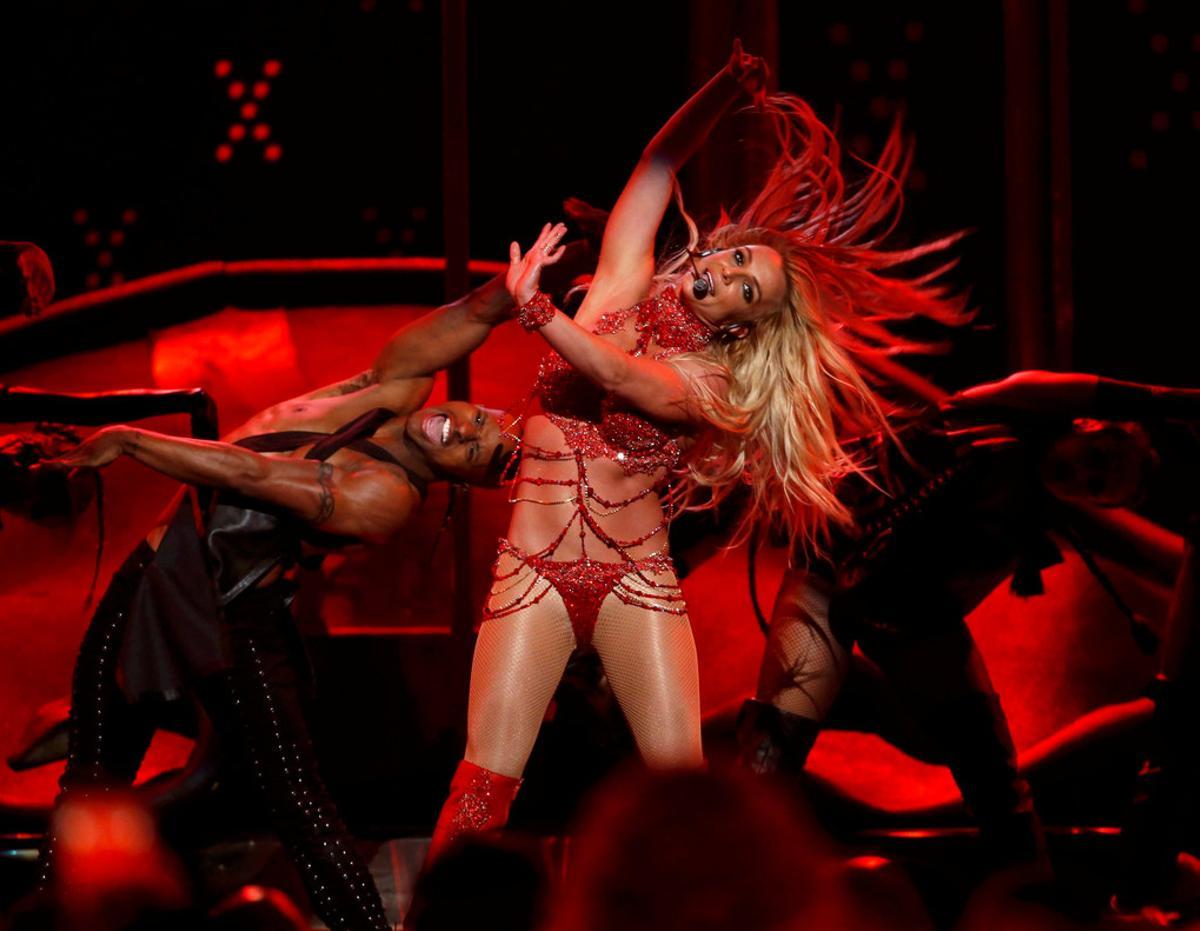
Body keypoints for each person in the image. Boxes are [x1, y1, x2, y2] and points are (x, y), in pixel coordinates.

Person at [427, 40, 968, 857]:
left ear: (747, 324)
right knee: (482, 788)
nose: (731, 279)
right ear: (719, 250)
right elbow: (656, 166)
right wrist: (723, 89)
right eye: (739, 261)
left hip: (636, 586)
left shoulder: (713, 384)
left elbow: (624, 379)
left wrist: (536, 312)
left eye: (750, 292)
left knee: (684, 806)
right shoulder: (619, 284)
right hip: (531, 572)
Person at [34, 273, 520, 931]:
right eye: (479, 421)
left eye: (474, 451)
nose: (462, 431)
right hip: (154, 575)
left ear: (462, 480)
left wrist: (130, 440)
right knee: (90, 781)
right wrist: (522, 285)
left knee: (295, 797)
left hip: (235, 619)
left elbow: (251, 473)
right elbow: (466, 314)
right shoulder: (393, 391)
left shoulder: (385, 495)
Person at [732, 370, 1198, 867]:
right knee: (770, 761)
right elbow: (1084, 389)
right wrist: (1180, 399)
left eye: (1096, 487)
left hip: (911, 624)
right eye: (1097, 458)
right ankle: (721, 879)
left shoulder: (1035, 523)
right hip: (824, 573)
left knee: (992, 779)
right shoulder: (990, 411)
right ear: (1084, 425)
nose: (1084, 476)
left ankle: (1024, 899)